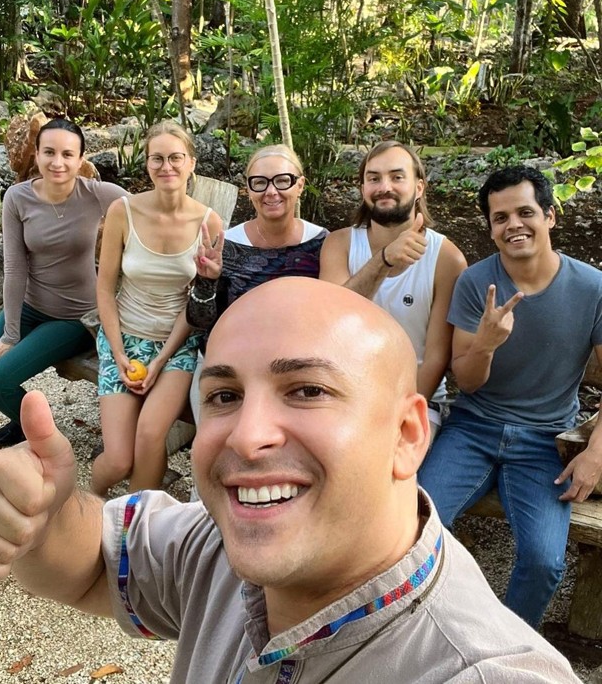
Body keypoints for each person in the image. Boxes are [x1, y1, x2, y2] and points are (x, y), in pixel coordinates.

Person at [0, 278, 581, 683]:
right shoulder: (216, 545)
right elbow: (90, 565)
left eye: (306, 390)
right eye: (223, 394)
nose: (247, 436)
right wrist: (42, 516)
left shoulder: (483, 672)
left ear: (407, 435)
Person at [419, 165, 602, 629]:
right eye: (500, 218)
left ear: (550, 217)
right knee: (417, 529)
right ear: (491, 227)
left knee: (544, 562)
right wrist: (485, 342)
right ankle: (428, 631)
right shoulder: (478, 283)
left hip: (545, 440)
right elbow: (469, 381)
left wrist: (595, 455)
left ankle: (505, 644)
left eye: (525, 212)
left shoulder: (591, 287)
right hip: (473, 427)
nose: (513, 225)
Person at [0, 118, 128, 447]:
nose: (58, 162)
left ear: (81, 159)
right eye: (49, 152)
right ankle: (28, 420)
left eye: (68, 154)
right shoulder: (17, 198)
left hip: (75, 318)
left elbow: (150, 213)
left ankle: (39, 431)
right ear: (36, 155)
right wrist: (10, 334)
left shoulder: (99, 194)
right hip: (29, 309)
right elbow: (15, 266)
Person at [90, 121, 223, 495]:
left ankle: (134, 527)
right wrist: (117, 351)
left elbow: (195, 302)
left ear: (191, 163)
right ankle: (86, 502)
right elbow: (105, 288)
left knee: (150, 435)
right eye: (157, 158)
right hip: (123, 338)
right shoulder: (122, 212)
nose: (167, 167)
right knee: (117, 459)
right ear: (147, 164)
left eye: (176, 157)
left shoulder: (208, 222)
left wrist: (160, 360)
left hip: (176, 345)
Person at [319, 141, 466, 431]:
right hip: (343, 396)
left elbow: (436, 357)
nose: (384, 186)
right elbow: (332, 320)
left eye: (397, 177)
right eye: (373, 178)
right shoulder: (339, 244)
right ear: (363, 189)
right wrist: (384, 260)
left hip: (415, 401)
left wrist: (397, 415)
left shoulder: (447, 258)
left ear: (419, 187)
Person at [186, 144, 327, 421]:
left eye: (282, 180)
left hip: (295, 373)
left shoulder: (323, 244)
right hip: (229, 368)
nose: (271, 191)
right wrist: (206, 281)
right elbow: (199, 322)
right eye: (260, 183)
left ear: (300, 185)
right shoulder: (228, 245)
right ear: (249, 190)